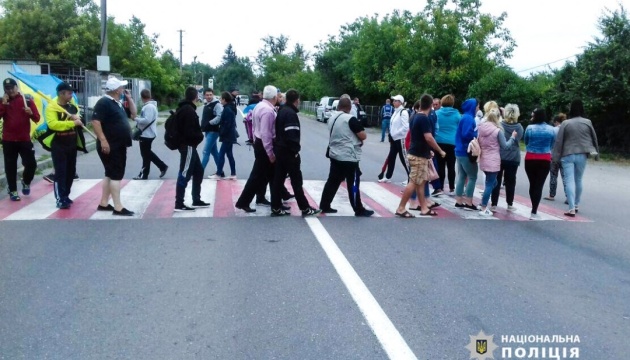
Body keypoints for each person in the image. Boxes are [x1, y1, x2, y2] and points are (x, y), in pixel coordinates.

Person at [319, 98, 374, 217]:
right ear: (349, 108)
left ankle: (324, 205)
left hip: (335, 154)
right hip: (349, 156)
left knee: (332, 181)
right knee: (353, 183)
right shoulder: (350, 119)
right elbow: (363, 135)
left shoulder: (332, 117)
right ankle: (358, 209)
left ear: (338, 106)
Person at [270, 89, 321, 216]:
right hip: (288, 152)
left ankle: (275, 207)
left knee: (278, 180)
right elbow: (291, 135)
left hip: (280, 150)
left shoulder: (282, 111)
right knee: (296, 181)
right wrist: (295, 151)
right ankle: (304, 208)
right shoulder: (291, 114)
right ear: (297, 100)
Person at [395, 95, 446, 218]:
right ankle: (401, 208)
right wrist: (439, 150)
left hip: (417, 152)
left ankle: (424, 207)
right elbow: (428, 137)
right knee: (413, 182)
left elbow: (418, 137)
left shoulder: (414, 116)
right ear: (431, 105)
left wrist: (428, 151)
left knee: (421, 182)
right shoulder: (424, 118)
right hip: (418, 155)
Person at [91, 77, 136, 216]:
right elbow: (95, 122)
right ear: (117, 90)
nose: (123, 89)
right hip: (111, 145)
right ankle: (118, 207)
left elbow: (134, 114)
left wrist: (129, 99)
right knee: (116, 175)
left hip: (118, 144)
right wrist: (103, 141)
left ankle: (104, 203)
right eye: (122, 88)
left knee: (110, 174)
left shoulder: (117, 103)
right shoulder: (104, 102)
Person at [235, 85, 279, 213]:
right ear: (274, 97)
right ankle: (243, 201)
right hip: (265, 145)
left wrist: (254, 140)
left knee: (268, 175)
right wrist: (270, 153)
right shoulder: (268, 111)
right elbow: (266, 134)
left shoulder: (259, 106)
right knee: (257, 175)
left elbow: (253, 127)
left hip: (258, 142)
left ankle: (266, 199)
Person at [42, 82, 86, 208]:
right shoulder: (52, 107)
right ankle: (60, 198)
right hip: (59, 142)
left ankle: (66, 195)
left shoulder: (72, 105)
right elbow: (53, 125)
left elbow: (79, 118)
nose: (71, 95)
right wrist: (72, 123)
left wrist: (77, 118)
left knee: (71, 171)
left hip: (72, 141)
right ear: (61, 94)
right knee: (61, 171)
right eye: (69, 93)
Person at [552, 100, 599, 217]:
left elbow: (559, 142)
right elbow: (594, 138)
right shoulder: (588, 122)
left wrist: (555, 158)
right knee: (578, 180)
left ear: (571, 109)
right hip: (582, 154)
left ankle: (571, 208)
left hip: (567, 155)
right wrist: (596, 154)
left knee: (569, 181)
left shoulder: (565, 123)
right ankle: (577, 204)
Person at [0, 78, 41, 201]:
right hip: (9, 140)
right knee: (10, 166)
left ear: (17, 87)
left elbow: (37, 118)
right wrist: (4, 104)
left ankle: (26, 181)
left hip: (24, 139)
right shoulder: (2, 101)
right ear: (4, 90)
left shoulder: (27, 100)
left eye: (12, 87)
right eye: (7, 88)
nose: (10, 90)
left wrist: (30, 113)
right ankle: (12, 190)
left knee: (31, 164)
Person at [476, 105, 518, 216]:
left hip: (484, 158)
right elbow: (506, 146)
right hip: (494, 159)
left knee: (492, 182)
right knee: (490, 183)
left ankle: (482, 203)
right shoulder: (497, 131)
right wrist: (513, 137)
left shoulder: (481, 129)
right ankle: (484, 206)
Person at [173, 87, 209, 211]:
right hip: (187, 145)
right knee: (184, 173)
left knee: (198, 171)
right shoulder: (188, 110)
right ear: (195, 97)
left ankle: (196, 199)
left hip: (189, 146)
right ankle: (179, 203)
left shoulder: (184, 108)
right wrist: (199, 136)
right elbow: (189, 131)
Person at [490, 103, 524, 212]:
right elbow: (518, 140)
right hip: (513, 157)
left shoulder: (500, 125)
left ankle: (494, 203)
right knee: (511, 181)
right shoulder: (519, 127)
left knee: (496, 180)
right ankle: (510, 203)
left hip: (500, 155)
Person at [524, 108, 556, 220]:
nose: (531, 117)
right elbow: (552, 143)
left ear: (536, 116)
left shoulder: (529, 128)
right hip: (545, 159)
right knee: (539, 184)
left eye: (533, 115)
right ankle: (534, 210)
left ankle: (533, 205)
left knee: (532, 184)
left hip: (530, 158)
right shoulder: (551, 129)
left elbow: (526, 141)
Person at [133, 89, 168, 180]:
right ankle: (151, 171)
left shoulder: (148, 107)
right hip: (148, 133)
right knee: (147, 153)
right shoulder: (150, 106)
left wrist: (136, 119)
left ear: (142, 97)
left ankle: (158, 168)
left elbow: (147, 120)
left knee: (146, 154)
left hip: (147, 134)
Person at [454, 98, 479, 210]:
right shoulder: (469, 118)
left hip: (459, 150)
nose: (478, 108)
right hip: (466, 151)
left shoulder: (464, 116)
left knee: (462, 176)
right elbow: (466, 134)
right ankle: (469, 201)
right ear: (473, 107)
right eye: (477, 106)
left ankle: (459, 201)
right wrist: (476, 133)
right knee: (472, 176)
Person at [434, 94, 460, 195]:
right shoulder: (457, 114)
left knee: (440, 165)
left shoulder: (437, 114)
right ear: (452, 103)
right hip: (452, 142)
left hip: (439, 142)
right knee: (451, 166)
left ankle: (440, 186)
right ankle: (452, 187)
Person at [380, 94, 409, 183]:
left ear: (400, 102)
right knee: (391, 157)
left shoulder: (403, 112)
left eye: (395, 101)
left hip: (400, 139)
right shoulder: (396, 111)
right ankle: (388, 176)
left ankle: (410, 177)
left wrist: (396, 133)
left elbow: (405, 127)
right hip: (394, 139)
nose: (393, 102)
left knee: (404, 158)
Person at [215, 91, 238, 180]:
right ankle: (233, 173)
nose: (220, 100)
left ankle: (218, 173)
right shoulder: (230, 108)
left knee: (221, 154)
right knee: (229, 154)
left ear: (224, 99)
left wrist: (221, 132)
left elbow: (227, 124)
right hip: (230, 135)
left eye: (221, 98)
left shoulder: (227, 109)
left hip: (227, 136)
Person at [544, 113, 567, 201]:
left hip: (554, 155)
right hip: (565, 155)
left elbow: (550, 142)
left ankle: (551, 195)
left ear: (556, 122)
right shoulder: (566, 129)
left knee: (553, 175)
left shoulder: (553, 130)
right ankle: (568, 196)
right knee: (565, 177)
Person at [201, 89, 223, 175]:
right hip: (208, 131)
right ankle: (221, 171)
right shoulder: (207, 104)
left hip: (213, 131)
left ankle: (200, 172)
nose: (209, 96)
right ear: (204, 96)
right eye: (207, 95)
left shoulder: (217, 104)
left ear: (213, 95)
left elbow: (220, 116)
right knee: (214, 153)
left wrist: (210, 123)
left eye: (210, 95)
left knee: (205, 152)